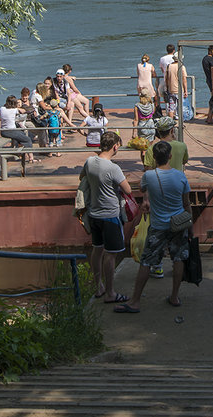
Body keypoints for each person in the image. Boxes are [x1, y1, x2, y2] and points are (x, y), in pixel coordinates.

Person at [116, 139, 192, 313]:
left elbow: (143, 189)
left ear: (154, 158)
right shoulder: (181, 176)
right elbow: (186, 204)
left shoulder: (149, 176)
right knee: (178, 259)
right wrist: (191, 226)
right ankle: (174, 296)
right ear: (170, 156)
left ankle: (135, 301)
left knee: (146, 261)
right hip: (179, 223)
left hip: (158, 225)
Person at [82, 131, 131, 304]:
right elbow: (128, 190)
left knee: (97, 250)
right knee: (111, 255)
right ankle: (111, 292)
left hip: (94, 214)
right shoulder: (113, 168)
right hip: (110, 215)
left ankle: (99, 286)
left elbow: (83, 177)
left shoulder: (90, 162)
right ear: (115, 146)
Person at [0, 95, 34, 162]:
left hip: (3, 131)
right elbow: (23, 111)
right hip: (10, 131)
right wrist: (18, 107)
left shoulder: (2, 108)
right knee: (27, 139)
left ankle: (21, 153)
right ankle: (31, 157)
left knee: (22, 133)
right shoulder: (14, 110)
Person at [164, 54, 188, 118]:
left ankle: (171, 124)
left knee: (171, 108)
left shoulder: (169, 66)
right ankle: (181, 123)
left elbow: (166, 79)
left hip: (171, 90)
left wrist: (167, 87)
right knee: (180, 107)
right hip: (179, 90)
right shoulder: (181, 67)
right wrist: (186, 90)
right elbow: (184, 80)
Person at [201, 45, 213, 124]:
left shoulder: (204, 59)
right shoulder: (211, 60)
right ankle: (210, 117)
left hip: (208, 79)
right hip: (212, 81)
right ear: (211, 51)